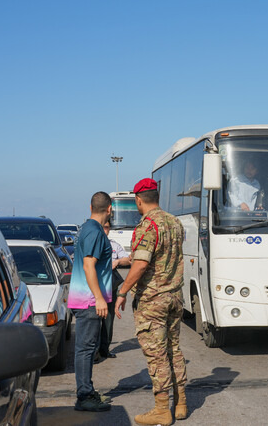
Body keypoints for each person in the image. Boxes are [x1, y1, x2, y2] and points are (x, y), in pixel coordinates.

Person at [115, 178, 188, 426]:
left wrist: (123, 290)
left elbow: (143, 263)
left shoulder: (148, 226)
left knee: (156, 354)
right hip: (175, 296)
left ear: (138, 199)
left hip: (153, 300)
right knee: (173, 349)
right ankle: (181, 403)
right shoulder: (175, 222)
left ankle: (161, 410)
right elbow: (164, 256)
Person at [67, 191, 113, 412]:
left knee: (87, 348)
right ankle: (84, 396)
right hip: (88, 300)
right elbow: (88, 265)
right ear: (110, 209)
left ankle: (87, 390)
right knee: (85, 349)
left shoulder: (86, 228)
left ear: (90, 207)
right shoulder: (94, 232)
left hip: (84, 298)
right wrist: (98, 298)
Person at [96, 220, 131, 361]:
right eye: (102, 227)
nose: (105, 230)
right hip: (95, 288)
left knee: (108, 319)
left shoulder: (114, 245)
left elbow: (128, 260)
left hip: (111, 287)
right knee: (93, 320)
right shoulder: (94, 244)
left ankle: (105, 349)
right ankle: (93, 351)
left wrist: (117, 262)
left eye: (107, 227)